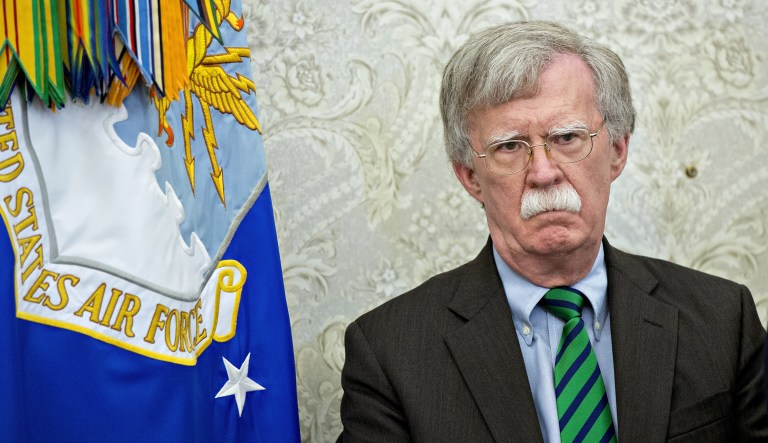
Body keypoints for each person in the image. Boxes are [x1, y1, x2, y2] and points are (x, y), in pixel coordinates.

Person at [336, 20, 768, 442]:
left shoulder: (723, 319)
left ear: (617, 151)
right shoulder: (389, 354)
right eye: (509, 146)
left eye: (566, 137)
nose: (543, 172)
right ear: (470, 176)